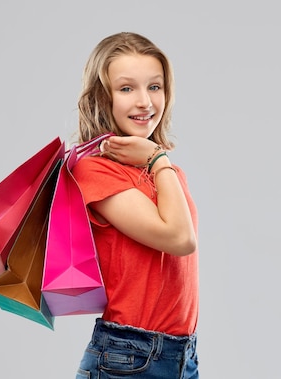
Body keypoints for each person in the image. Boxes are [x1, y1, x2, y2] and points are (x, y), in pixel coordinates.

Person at [71, 32, 200, 378]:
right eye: (127, 89)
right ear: (103, 97)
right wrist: (159, 159)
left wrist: (159, 163)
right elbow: (179, 238)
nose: (145, 102)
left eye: (154, 87)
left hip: (181, 355)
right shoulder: (95, 170)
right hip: (128, 358)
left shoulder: (167, 171)